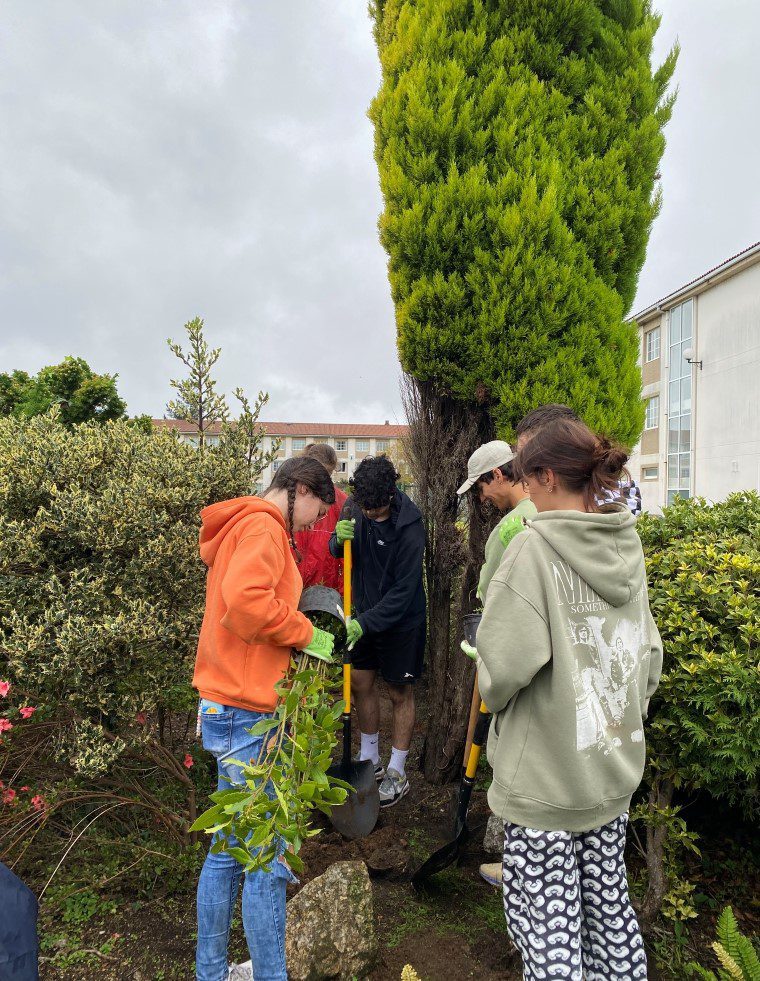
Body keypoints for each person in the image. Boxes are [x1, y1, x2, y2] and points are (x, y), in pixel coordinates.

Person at [475, 416, 662, 981]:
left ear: (550, 477)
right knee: (610, 922)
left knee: (550, 940)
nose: (524, 492)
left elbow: (501, 670)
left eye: (528, 480)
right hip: (610, 772)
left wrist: (488, 676)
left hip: (545, 785)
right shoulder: (625, 547)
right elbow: (647, 660)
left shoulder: (533, 553)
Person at [193, 456, 337, 981]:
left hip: (226, 702)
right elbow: (246, 603)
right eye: (315, 512)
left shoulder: (244, 524)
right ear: (299, 489)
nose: (312, 524)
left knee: (229, 852)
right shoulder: (262, 526)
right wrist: (307, 634)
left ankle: (210, 973)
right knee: (267, 861)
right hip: (246, 711)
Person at [457, 440, 538, 889]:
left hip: (512, 652)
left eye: (482, 487)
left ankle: (520, 865)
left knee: (513, 756)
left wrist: (485, 648)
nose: (482, 497)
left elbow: (492, 598)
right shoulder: (554, 512)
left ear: (499, 475)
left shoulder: (508, 530)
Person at [329, 455, 426, 807]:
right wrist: (337, 541)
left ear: (392, 493)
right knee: (361, 684)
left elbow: (403, 592)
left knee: (400, 692)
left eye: (376, 508)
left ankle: (398, 770)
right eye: (364, 506)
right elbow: (337, 551)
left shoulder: (411, 526)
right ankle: (370, 757)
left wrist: (364, 622)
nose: (368, 514)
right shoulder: (355, 507)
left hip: (401, 622)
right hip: (362, 613)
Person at [293, 443, 348, 592]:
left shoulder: (340, 501)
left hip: (325, 591)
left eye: (327, 475)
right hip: (293, 586)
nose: (322, 480)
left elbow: (346, 553)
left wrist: (344, 594)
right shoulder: (292, 495)